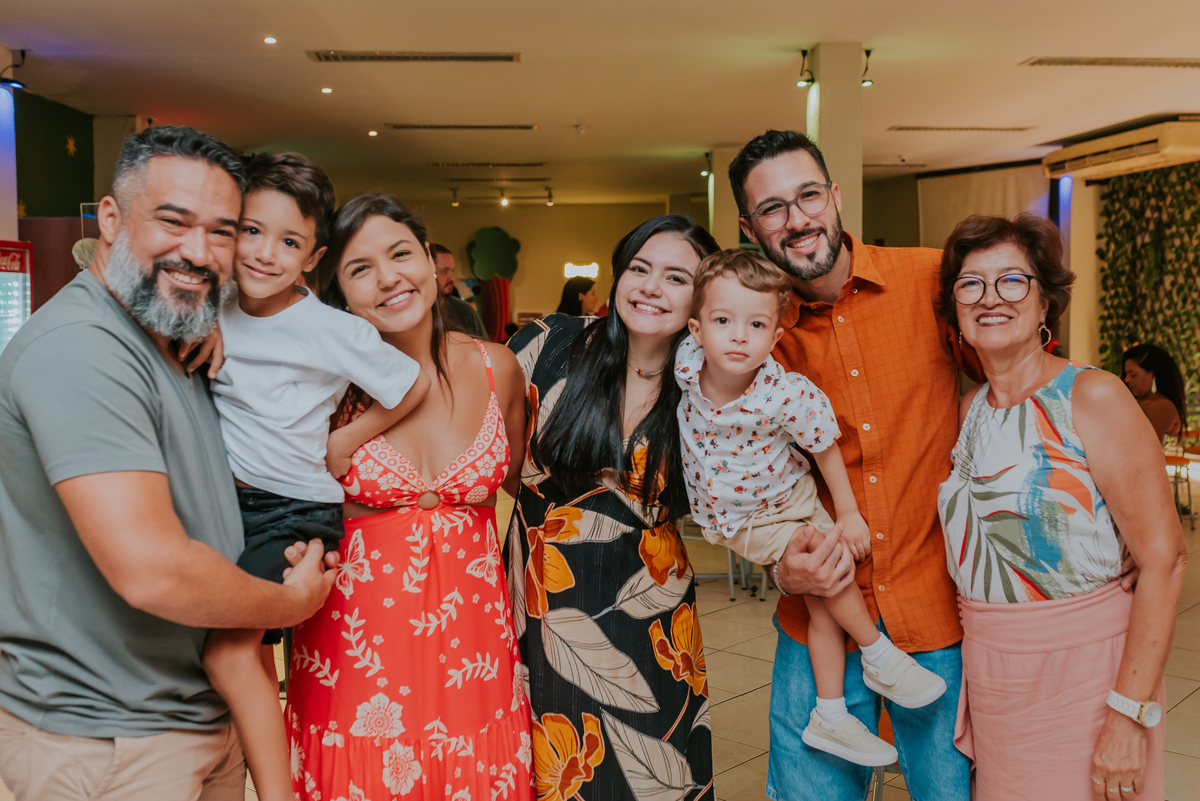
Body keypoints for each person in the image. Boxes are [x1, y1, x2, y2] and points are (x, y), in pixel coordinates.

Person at [0, 126, 337, 801]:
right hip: (108, 740)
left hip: (189, 720)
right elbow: (151, 570)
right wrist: (290, 603)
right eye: (173, 221)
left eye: (221, 231)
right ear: (111, 217)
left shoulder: (174, 329)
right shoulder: (83, 348)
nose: (199, 250)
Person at [729, 129, 974, 800]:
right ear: (749, 228)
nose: (798, 219)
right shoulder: (751, 335)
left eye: (808, 195)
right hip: (819, 622)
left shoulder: (931, 279)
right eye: (773, 208)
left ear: (835, 197)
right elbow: (735, 472)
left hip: (934, 613)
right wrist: (780, 563)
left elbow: (1014, 381)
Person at [287, 195, 532, 801]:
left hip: (475, 640)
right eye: (360, 268)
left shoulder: (496, 366)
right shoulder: (321, 385)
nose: (389, 277)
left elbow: (526, 488)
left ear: (429, 258)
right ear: (338, 290)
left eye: (401, 253)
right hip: (353, 639)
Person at [201, 153, 429, 801]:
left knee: (229, 651)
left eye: (290, 241)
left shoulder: (332, 329)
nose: (265, 253)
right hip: (225, 504)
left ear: (312, 258)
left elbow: (408, 383)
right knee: (213, 650)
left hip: (295, 508)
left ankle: (276, 793)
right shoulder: (212, 305)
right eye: (251, 230)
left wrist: (347, 439)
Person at [936, 214, 1186, 801]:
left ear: (1045, 300)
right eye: (970, 283)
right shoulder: (967, 410)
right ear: (954, 307)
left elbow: (1165, 560)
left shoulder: (1092, 395)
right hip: (994, 676)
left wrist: (1127, 716)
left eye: (1012, 281)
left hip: (1088, 678)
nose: (990, 297)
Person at [677, 248, 947, 767]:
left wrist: (847, 514)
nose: (738, 336)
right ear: (695, 328)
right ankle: (877, 651)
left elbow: (824, 444)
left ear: (776, 337)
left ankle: (830, 712)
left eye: (755, 324)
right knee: (827, 571)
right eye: (722, 321)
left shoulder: (784, 391)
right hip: (742, 518)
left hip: (793, 495)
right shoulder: (686, 364)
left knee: (824, 592)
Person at [506, 215, 717, 799]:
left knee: (653, 773)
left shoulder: (709, 382)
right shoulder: (547, 343)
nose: (651, 286)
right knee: (552, 766)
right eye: (639, 269)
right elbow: (494, 462)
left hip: (653, 613)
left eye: (677, 277)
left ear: (703, 298)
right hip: (543, 601)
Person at [1122, 343, 1186, 444]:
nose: (1127, 379)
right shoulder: (1141, 401)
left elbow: (1148, 449)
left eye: (1133, 375)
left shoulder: (1162, 406)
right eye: (1126, 374)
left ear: (1152, 375)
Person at [431, 241, 488, 338]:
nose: (452, 277)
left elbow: (484, 351)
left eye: (452, 270)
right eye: (445, 271)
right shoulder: (414, 311)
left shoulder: (464, 311)